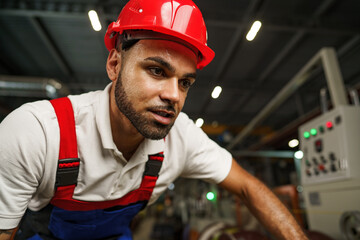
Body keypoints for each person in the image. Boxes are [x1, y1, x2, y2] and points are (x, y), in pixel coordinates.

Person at [0, 0, 308, 239]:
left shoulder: (181, 139)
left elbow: (247, 188)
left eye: (185, 82)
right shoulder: (37, 132)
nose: (174, 95)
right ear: (114, 64)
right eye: (157, 70)